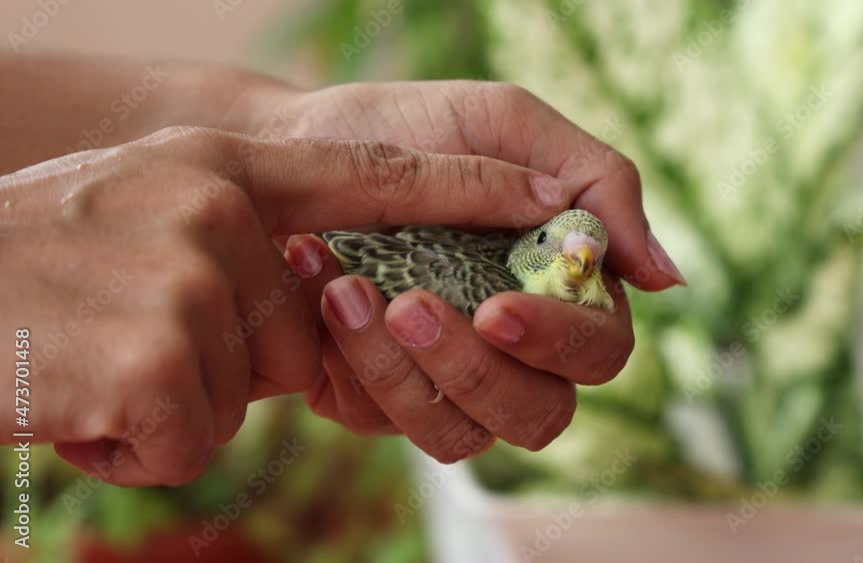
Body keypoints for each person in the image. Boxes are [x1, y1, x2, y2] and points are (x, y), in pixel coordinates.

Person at [0, 55, 685, 487]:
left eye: (582, 259)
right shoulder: (488, 286)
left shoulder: (523, 272)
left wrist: (273, 138)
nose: (576, 265)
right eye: (560, 249)